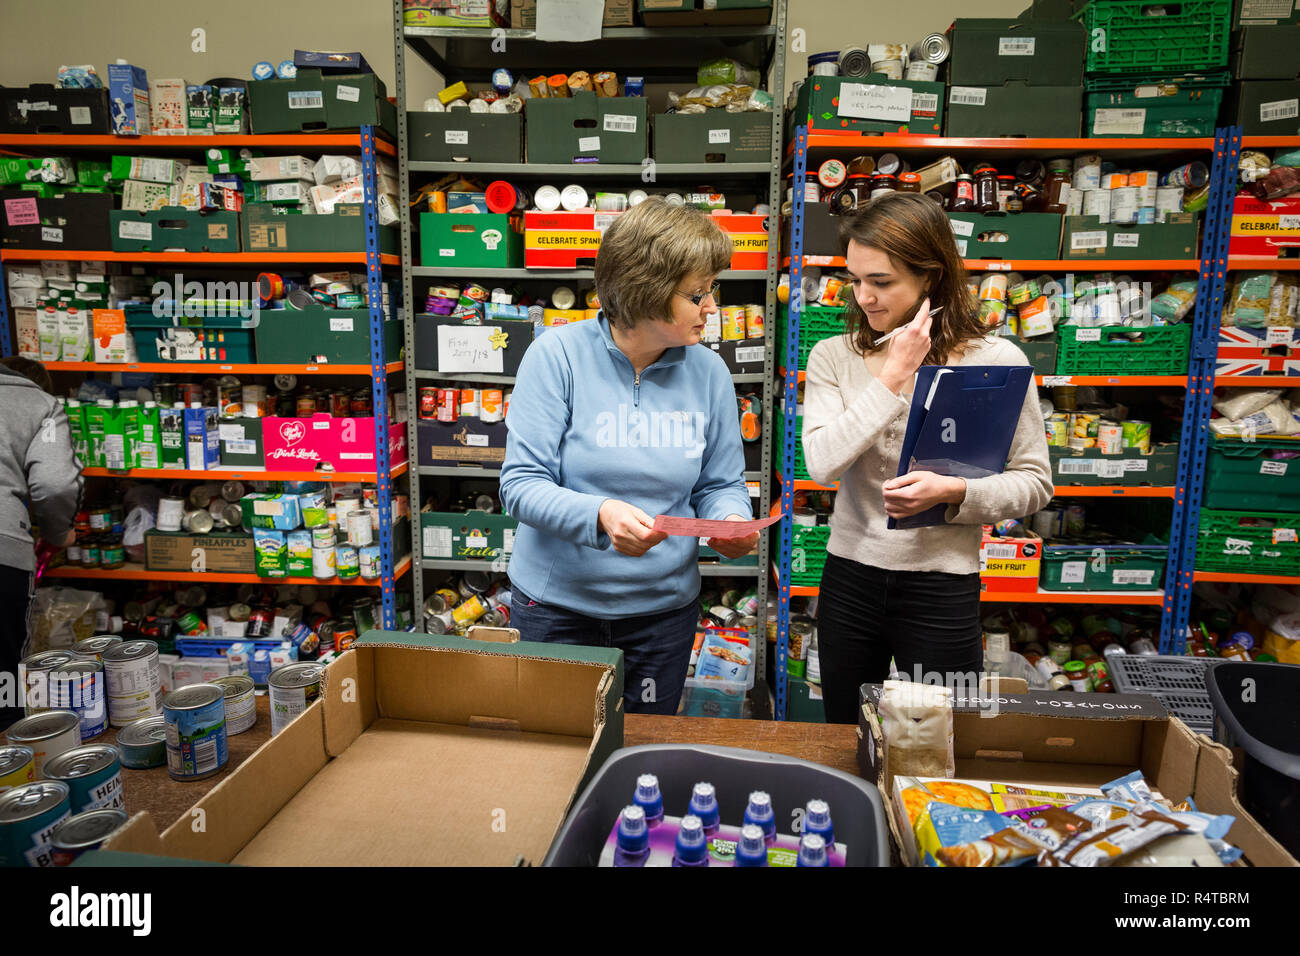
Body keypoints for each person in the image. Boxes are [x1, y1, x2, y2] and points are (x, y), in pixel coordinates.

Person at [500, 198, 758, 715]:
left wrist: (731, 521)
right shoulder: (557, 357)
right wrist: (600, 514)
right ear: (648, 292)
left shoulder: (709, 374)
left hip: (662, 616)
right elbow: (521, 485)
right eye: (698, 294)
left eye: (713, 290)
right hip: (558, 612)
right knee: (558, 756)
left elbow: (719, 483)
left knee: (643, 754)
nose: (713, 307)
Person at [801, 192, 1052, 724]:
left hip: (942, 583)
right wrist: (893, 373)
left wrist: (957, 492)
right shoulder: (833, 357)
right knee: (847, 728)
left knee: (940, 734)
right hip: (851, 577)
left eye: (882, 282)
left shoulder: (999, 362)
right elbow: (821, 463)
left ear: (931, 278)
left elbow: (1034, 482)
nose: (864, 297)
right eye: (855, 280)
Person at [0, 357, 82, 730]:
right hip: (4, 550)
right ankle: (10, 766)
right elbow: (54, 485)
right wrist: (56, 533)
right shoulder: (40, 405)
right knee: (6, 676)